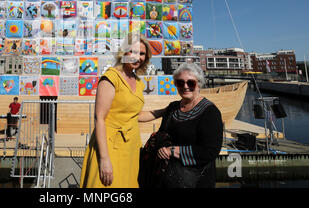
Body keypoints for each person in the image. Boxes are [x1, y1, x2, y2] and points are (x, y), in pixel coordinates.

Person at [80, 33, 152, 188]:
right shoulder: (111, 77)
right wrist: (104, 159)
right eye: (132, 51)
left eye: (141, 54)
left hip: (130, 148)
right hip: (109, 146)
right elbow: (99, 119)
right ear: (123, 52)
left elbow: (136, 116)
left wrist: (165, 110)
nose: (137, 57)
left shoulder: (138, 83)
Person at [139, 62, 223, 188]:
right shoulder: (173, 107)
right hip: (166, 178)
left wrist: (173, 151)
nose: (185, 86)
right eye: (180, 82)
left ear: (199, 84)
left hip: (194, 181)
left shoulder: (210, 112)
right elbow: (163, 134)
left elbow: (210, 151)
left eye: (190, 83)